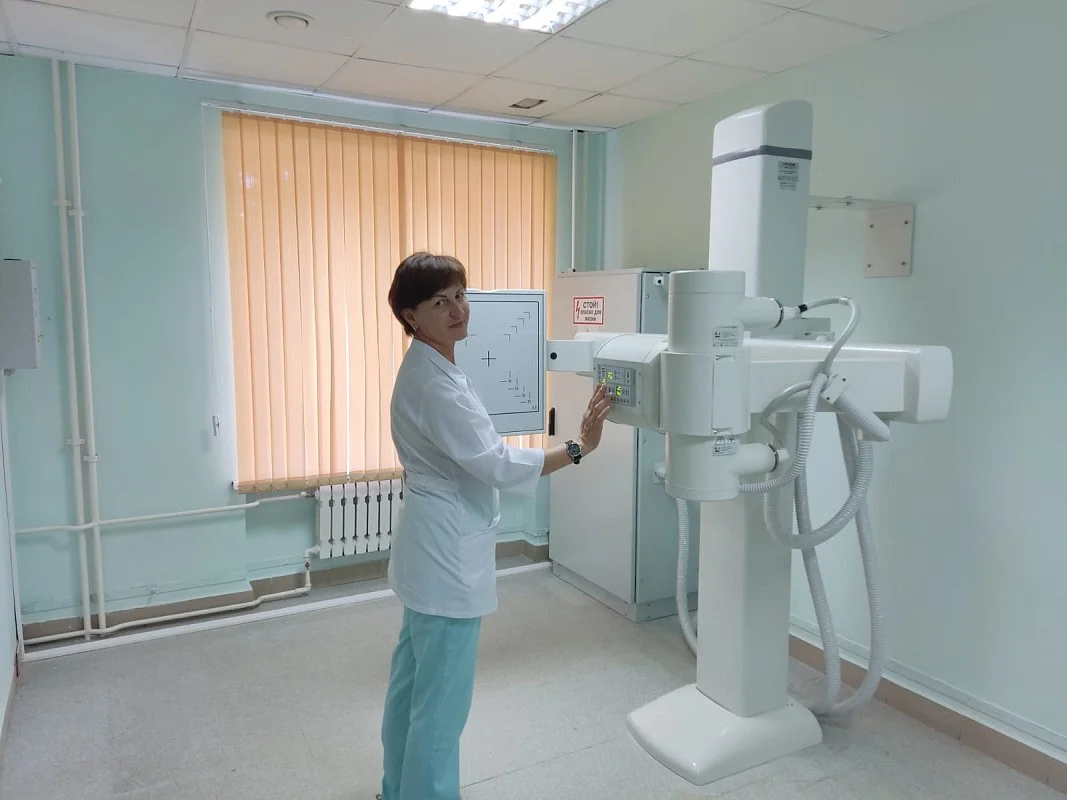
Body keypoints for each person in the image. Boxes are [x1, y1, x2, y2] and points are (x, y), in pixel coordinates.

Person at [378, 251, 612, 800]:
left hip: (428, 554)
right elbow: (497, 465)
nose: (458, 309)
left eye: (461, 295)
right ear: (411, 316)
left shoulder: (431, 367)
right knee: (440, 707)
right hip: (445, 564)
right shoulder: (435, 385)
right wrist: (578, 447)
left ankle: (398, 788)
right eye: (441, 302)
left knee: (411, 687)